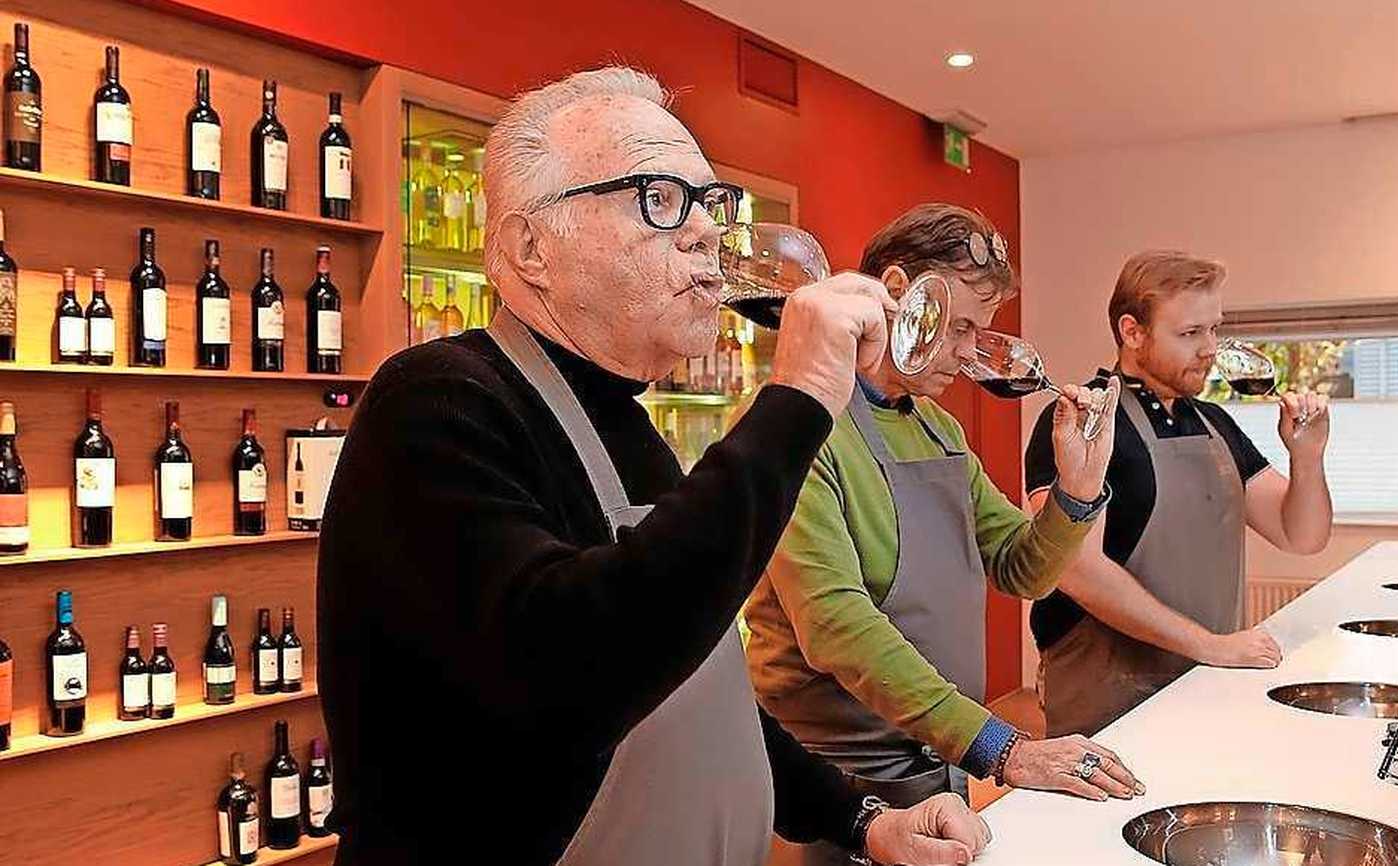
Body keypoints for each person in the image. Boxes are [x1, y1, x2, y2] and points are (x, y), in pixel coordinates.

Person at [316, 67, 991, 866]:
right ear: (531, 247)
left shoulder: (630, 429)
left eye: (710, 203)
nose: (707, 232)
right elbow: (576, 665)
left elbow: (704, 691)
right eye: (660, 198)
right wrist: (802, 394)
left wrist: (858, 818)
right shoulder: (436, 403)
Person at [746, 204, 1142, 866]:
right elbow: (837, 625)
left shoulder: (938, 429)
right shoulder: (803, 427)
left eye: (979, 332)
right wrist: (1001, 746)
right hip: (832, 790)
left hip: (939, 766)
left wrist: (1075, 491)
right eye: (959, 326)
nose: (968, 353)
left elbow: (1024, 570)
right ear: (897, 293)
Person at [1025, 250, 1333, 737]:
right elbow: (1075, 569)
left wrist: (1308, 457)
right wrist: (1209, 644)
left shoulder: (1216, 423)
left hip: (1209, 678)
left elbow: (1301, 535)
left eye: (1215, 330)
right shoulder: (1079, 420)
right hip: (1106, 690)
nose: (1209, 348)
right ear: (1132, 332)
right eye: (1190, 333)